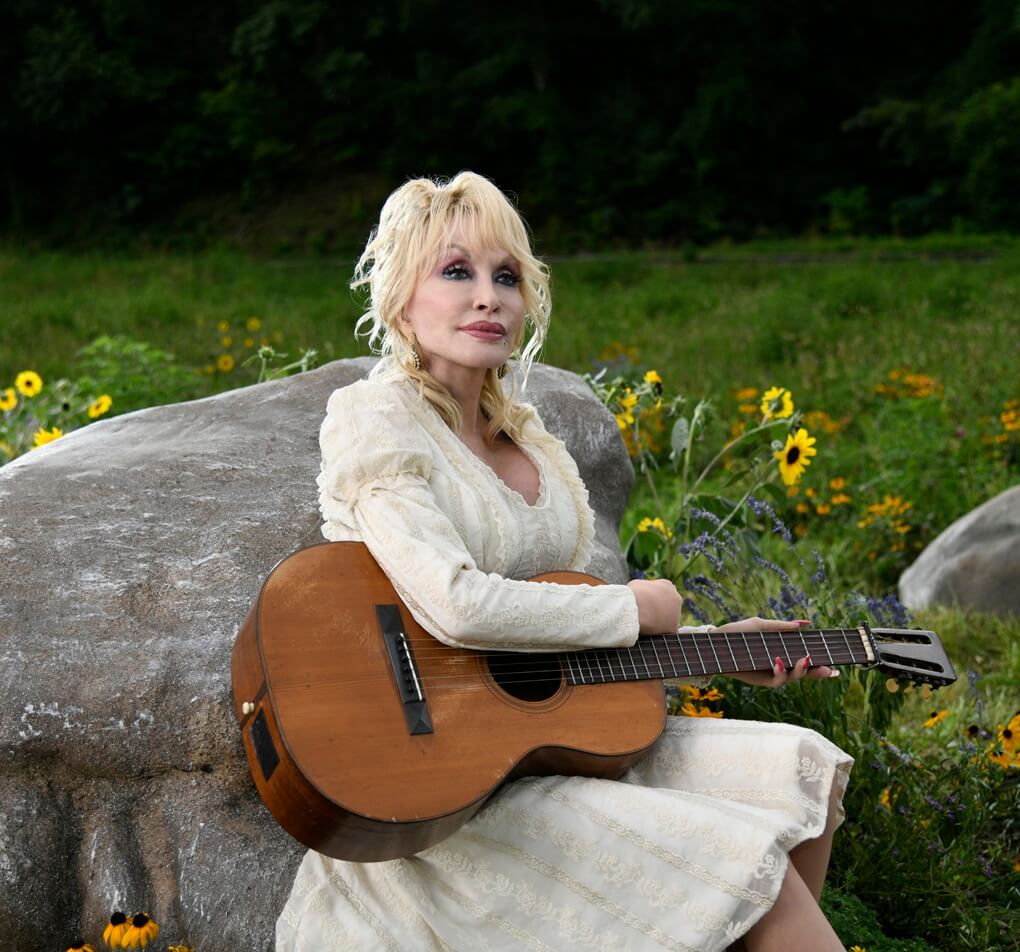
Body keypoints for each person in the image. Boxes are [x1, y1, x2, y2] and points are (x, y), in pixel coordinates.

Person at [276, 171, 853, 951]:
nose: (489, 297)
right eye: (457, 272)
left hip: (542, 747)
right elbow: (455, 603)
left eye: (506, 277)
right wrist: (635, 610)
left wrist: (715, 647)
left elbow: (568, 621)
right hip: (442, 774)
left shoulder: (533, 440)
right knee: (752, 868)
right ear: (402, 297)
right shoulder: (376, 417)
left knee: (804, 769)